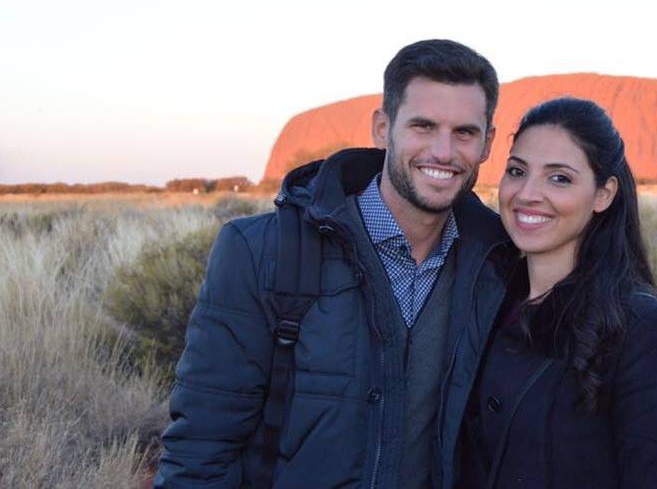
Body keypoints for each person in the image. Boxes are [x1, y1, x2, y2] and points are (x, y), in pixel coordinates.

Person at [154, 39, 511, 489]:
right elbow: (202, 446)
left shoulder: (498, 266)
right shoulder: (262, 252)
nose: (443, 151)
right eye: (423, 126)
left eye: (464, 132)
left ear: (487, 143)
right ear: (383, 128)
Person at [435, 97, 657, 489]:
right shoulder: (486, 308)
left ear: (603, 194)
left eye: (559, 178)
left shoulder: (644, 332)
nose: (527, 193)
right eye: (517, 171)